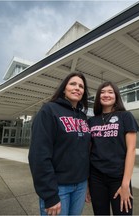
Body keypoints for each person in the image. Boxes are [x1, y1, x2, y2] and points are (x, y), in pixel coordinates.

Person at [28, 72, 91, 216]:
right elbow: (38, 155)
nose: (77, 88)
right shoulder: (49, 110)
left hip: (80, 186)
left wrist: (87, 183)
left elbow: (84, 152)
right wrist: (49, 195)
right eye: (73, 84)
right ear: (64, 88)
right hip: (58, 187)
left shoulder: (83, 117)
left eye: (81, 86)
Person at [88, 81, 139, 215]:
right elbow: (89, 151)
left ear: (116, 96)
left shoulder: (126, 116)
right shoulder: (91, 121)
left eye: (110, 92)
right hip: (96, 178)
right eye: (102, 92)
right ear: (98, 97)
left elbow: (131, 150)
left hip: (118, 177)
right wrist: (88, 184)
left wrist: (125, 184)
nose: (106, 95)